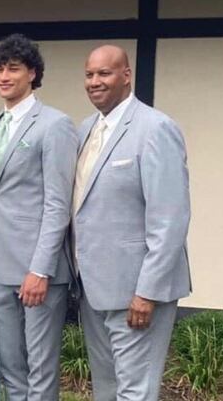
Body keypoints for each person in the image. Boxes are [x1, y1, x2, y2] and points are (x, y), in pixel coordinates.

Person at [73, 45, 191, 401]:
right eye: (90, 75)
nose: (95, 82)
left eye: (104, 73)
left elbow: (169, 217)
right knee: (106, 390)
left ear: (126, 76)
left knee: (135, 392)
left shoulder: (155, 128)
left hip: (136, 292)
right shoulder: (85, 130)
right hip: (93, 289)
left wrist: (147, 292)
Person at [0, 34, 78, 401]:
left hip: (38, 270)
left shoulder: (55, 124)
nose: (4, 76)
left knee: (40, 369)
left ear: (32, 73)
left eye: (13, 69)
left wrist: (41, 269)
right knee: (10, 367)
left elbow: (58, 204)